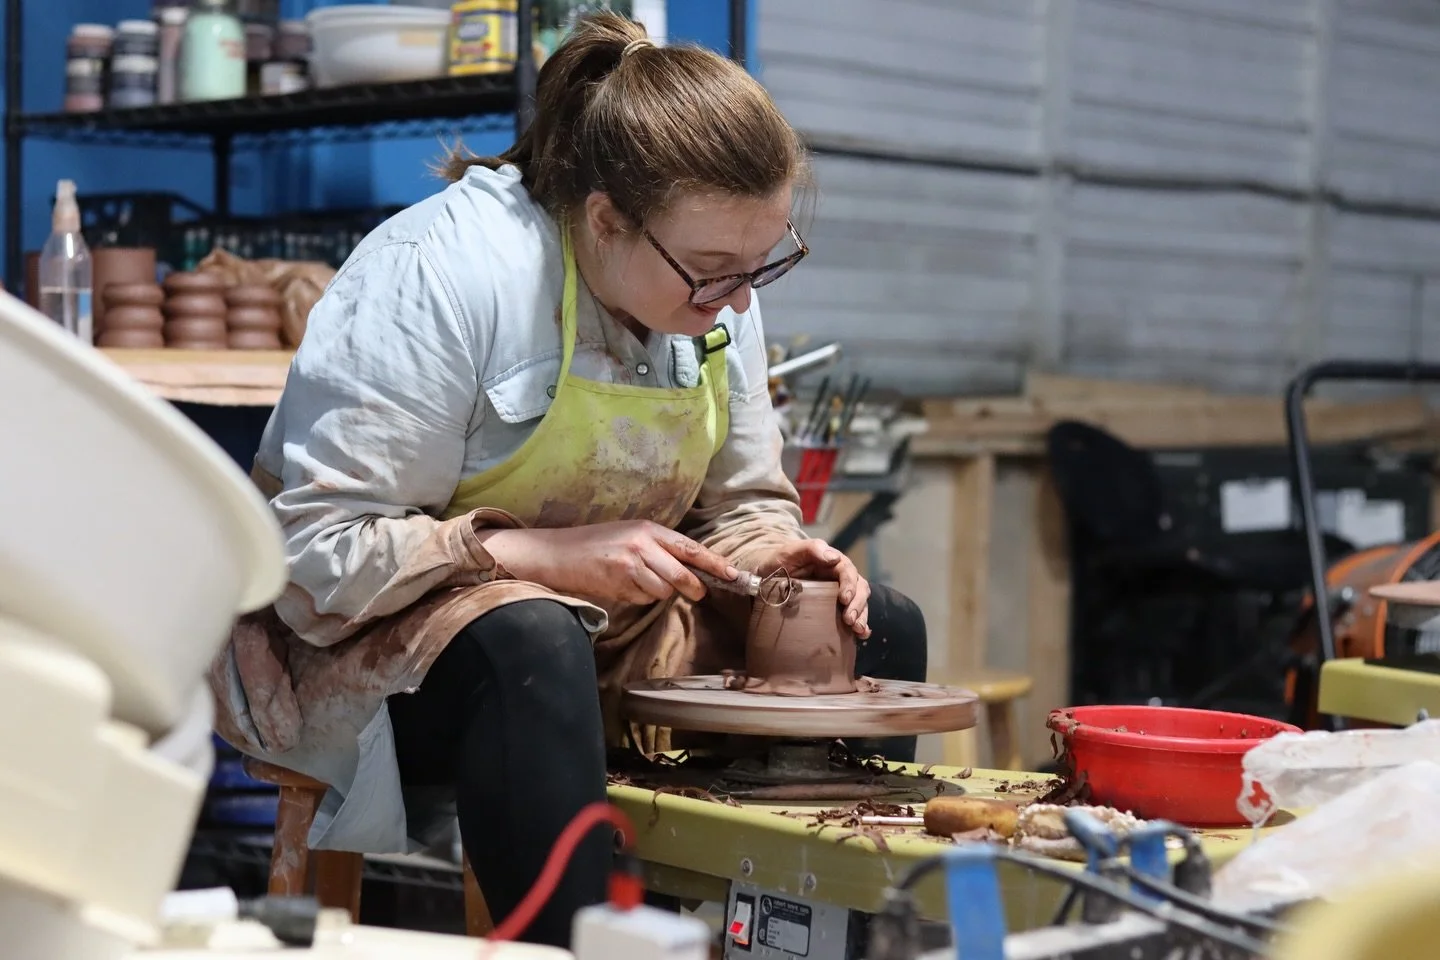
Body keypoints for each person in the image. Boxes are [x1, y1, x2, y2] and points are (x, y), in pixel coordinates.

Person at [209, 12, 927, 948]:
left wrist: (780, 552)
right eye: (715, 273)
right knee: (531, 638)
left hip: (609, 642)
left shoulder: (716, 289)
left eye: (764, 265)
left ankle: (813, 941)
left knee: (875, 630)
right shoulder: (445, 272)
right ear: (605, 220)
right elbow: (308, 551)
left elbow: (744, 504)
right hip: (367, 649)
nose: (741, 302)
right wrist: (539, 554)